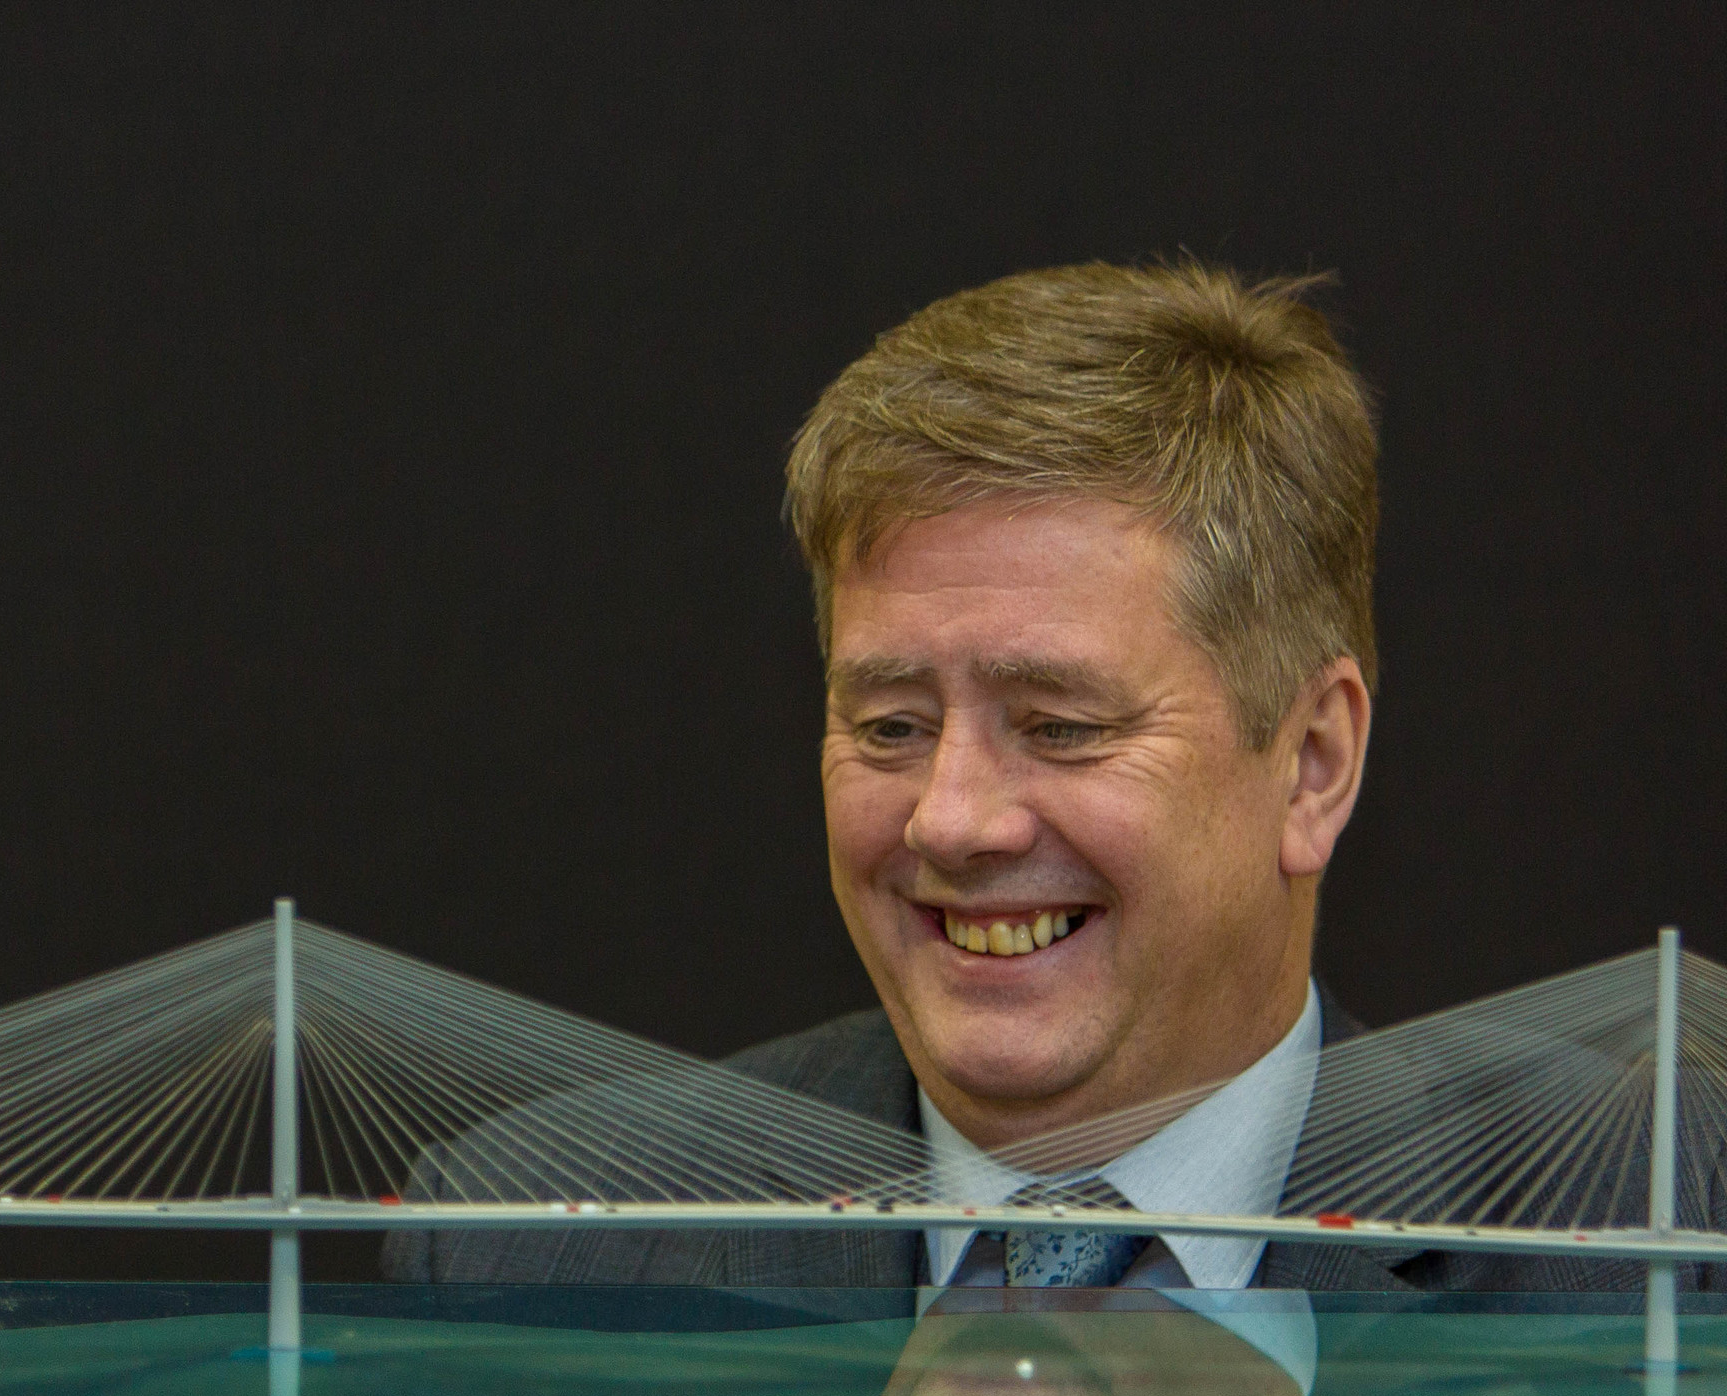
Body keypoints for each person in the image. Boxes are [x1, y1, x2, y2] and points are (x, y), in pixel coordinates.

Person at [392, 259, 1675, 1335]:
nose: (951, 819)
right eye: (890, 725)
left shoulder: (1639, 1253)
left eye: (1061, 727)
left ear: (1313, 763)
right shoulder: (538, 1257)